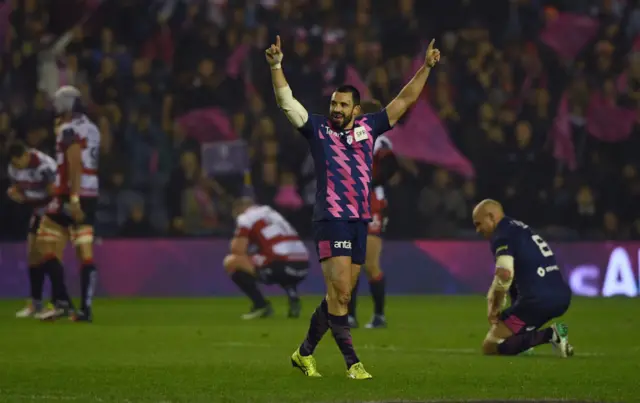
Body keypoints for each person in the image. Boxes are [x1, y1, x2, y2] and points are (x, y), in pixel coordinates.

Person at [265, 35, 440, 379]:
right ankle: (353, 364)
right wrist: (275, 66)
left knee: (338, 297)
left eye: (344, 105)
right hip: (331, 219)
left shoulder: (369, 128)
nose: (337, 109)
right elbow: (287, 103)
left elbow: (405, 100)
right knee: (342, 293)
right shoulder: (317, 129)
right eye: (334, 103)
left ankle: (303, 354)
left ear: (357, 110)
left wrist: (426, 68)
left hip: (361, 220)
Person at [472, 199, 574, 357]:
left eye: (479, 224)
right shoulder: (519, 228)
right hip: (561, 296)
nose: (477, 230)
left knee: (491, 346)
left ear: (491, 217)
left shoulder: (502, 235)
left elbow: (504, 274)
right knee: (512, 330)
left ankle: (551, 335)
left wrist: (494, 306)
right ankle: (523, 343)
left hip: (536, 301)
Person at [37, 86, 100, 323]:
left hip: (72, 194)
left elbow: (73, 159)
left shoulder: (67, 129)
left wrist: (73, 197)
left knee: (46, 241)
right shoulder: (91, 127)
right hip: (90, 191)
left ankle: (64, 302)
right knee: (80, 248)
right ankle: (82, 307)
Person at [347, 100, 397, 329]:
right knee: (351, 262)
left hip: (372, 204)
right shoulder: (352, 138)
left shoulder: (378, 138)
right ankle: (350, 316)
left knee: (369, 262)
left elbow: (390, 165)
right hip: (351, 204)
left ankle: (379, 316)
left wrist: (368, 183)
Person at [223, 197, 309, 319]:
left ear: (239, 209)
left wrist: (236, 239)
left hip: (281, 265)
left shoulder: (246, 217)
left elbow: (237, 250)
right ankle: (291, 291)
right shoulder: (273, 214)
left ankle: (261, 305)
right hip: (303, 267)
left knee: (231, 261)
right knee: (267, 255)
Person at [7, 141, 58, 318]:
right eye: (14, 163)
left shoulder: (44, 166)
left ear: (26, 155)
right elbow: (20, 190)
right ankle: (36, 303)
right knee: (32, 255)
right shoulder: (13, 168)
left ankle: (58, 302)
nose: (16, 166)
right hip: (37, 209)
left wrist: (26, 200)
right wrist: (17, 196)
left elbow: (54, 193)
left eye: (18, 162)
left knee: (48, 253)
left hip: (54, 209)